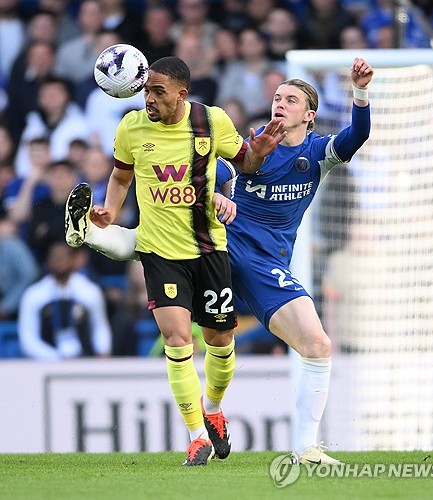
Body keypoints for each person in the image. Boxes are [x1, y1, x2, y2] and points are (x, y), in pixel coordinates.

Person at [66, 56, 373, 465]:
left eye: (291, 99)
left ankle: (293, 444)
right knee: (161, 259)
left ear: (309, 115)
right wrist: (219, 194)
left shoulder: (317, 153)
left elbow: (357, 136)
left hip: (260, 262)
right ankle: (87, 232)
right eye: (277, 96)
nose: (280, 103)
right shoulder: (248, 141)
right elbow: (213, 170)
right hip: (222, 244)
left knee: (306, 345)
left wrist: (360, 92)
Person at [18, 241, 112, 361]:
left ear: (73, 260)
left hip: (85, 361)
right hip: (46, 363)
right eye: (55, 257)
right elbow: (28, 339)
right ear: (47, 262)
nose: (59, 261)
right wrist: (56, 358)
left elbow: (99, 327)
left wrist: (102, 351)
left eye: (63, 257)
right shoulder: (34, 295)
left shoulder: (90, 291)